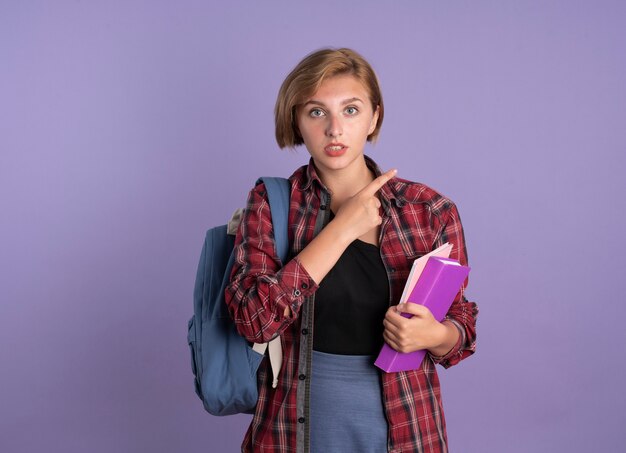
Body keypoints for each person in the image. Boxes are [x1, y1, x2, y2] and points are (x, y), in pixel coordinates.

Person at [225, 48, 478, 453]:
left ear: (374, 117)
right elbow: (255, 321)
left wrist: (435, 334)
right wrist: (341, 230)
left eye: (351, 110)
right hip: (294, 430)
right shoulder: (273, 203)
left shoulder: (428, 211)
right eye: (316, 112)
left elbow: (461, 327)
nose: (334, 130)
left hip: (407, 428)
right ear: (296, 120)